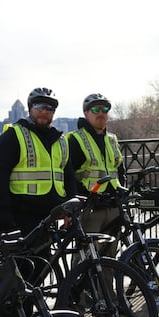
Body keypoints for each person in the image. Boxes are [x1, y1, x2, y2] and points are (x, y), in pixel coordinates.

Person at [0, 87, 71, 236]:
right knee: (24, 259)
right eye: (39, 106)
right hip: (21, 216)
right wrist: (3, 215)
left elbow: (68, 176)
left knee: (46, 259)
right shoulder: (13, 135)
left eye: (50, 108)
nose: (44, 111)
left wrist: (70, 211)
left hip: (50, 216)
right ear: (29, 108)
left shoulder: (60, 140)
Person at [66, 93, 125, 255]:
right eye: (95, 109)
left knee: (110, 259)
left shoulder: (112, 139)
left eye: (105, 109)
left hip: (113, 206)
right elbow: (68, 175)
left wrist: (121, 192)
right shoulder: (75, 139)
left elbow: (119, 168)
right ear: (86, 113)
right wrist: (79, 200)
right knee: (86, 259)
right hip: (90, 209)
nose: (101, 113)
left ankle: (107, 282)